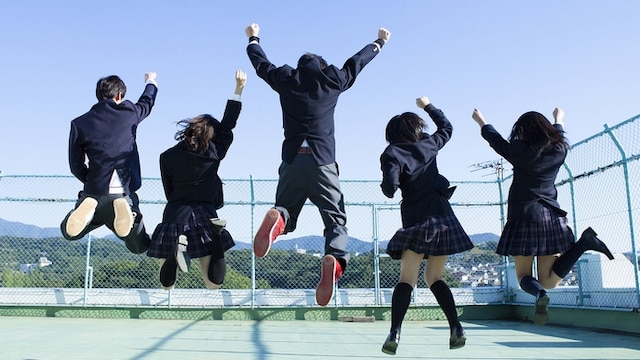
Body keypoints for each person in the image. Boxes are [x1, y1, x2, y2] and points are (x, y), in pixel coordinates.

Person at [244, 23, 391, 306]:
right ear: (322, 67)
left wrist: (253, 38)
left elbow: (260, 64)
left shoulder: (286, 79)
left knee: (285, 206)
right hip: (323, 161)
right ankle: (334, 260)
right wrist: (379, 42)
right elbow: (356, 63)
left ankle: (279, 221)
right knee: (335, 219)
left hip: (292, 158)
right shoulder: (332, 80)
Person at [471, 107, 614, 325]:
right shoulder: (559, 149)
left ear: (522, 131)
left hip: (524, 217)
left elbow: (496, 141)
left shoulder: (519, 151)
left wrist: (481, 121)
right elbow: (558, 132)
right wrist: (558, 119)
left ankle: (539, 295)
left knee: (524, 278)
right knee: (548, 280)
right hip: (550, 217)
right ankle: (583, 243)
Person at [380, 97, 474, 354]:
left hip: (416, 222)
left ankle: (395, 331)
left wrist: (390, 182)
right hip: (443, 221)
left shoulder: (392, 153)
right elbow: (447, 128)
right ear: (416, 129)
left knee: (407, 279)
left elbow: (390, 189)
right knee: (434, 277)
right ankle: (456, 327)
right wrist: (428, 106)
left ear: (392, 135)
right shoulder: (429, 144)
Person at [147, 70, 246, 290]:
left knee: (166, 286)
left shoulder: (167, 156)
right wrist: (238, 90)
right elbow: (228, 125)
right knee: (213, 285)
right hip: (206, 215)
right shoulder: (213, 153)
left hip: (176, 213)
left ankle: (175, 252)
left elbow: (169, 191)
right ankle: (217, 239)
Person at [61, 72, 158, 254]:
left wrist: (90, 180)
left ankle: (84, 208)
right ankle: (131, 214)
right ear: (120, 96)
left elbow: (75, 165)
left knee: (70, 233)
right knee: (139, 246)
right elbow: (147, 101)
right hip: (123, 194)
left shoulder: (79, 123)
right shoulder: (130, 112)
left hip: (94, 193)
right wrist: (150, 80)